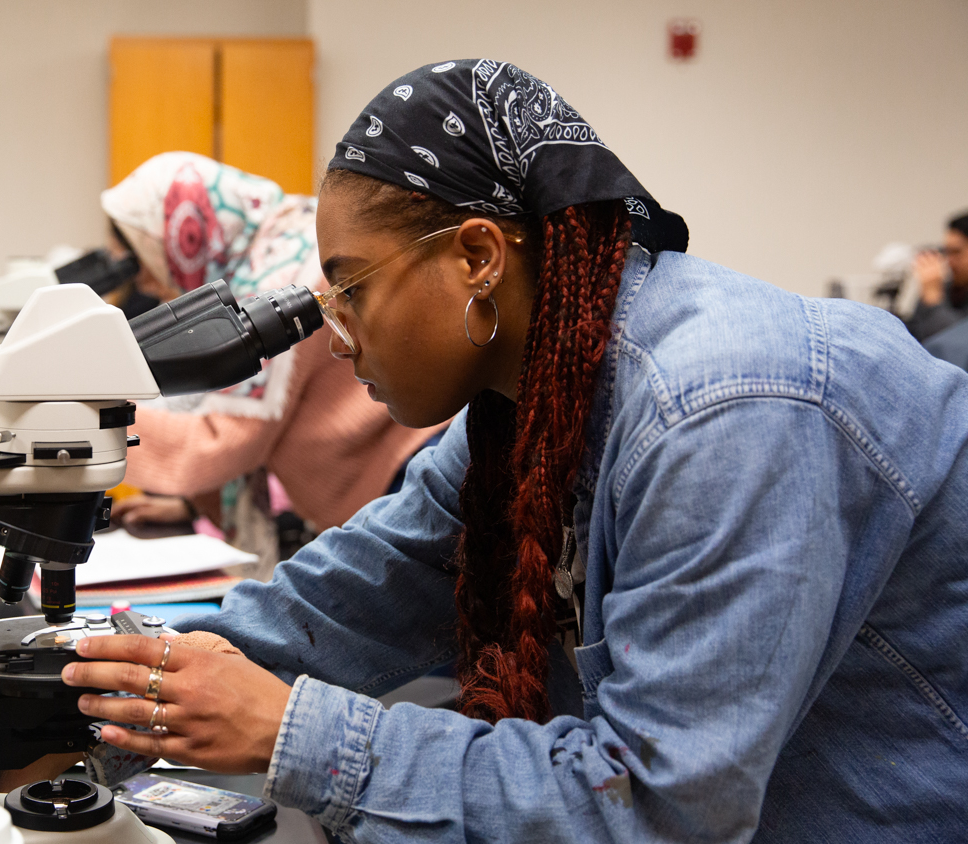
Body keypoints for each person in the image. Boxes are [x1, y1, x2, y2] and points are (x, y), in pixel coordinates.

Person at [62, 61, 968, 841]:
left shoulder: (720, 414)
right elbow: (366, 585)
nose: (335, 337)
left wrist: (288, 732)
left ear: (479, 257)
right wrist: (105, 683)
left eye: (349, 291)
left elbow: (656, 807)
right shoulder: (526, 408)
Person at [101, 152, 443, 571]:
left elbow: (222, 440)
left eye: (144, 262)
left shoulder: (277, 278)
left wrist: (87, 419)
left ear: (184, 229)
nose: (149, 285)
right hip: (388, 472)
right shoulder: (283, 236)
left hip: (406, 474)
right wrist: (192, 507)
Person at [904, 211, 968, 340]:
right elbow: (914, 335)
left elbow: (958, 344)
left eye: (956, 252)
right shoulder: (946, 287)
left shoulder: (935, 291)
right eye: (946, 252)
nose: (949, 261)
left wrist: (933, 298)